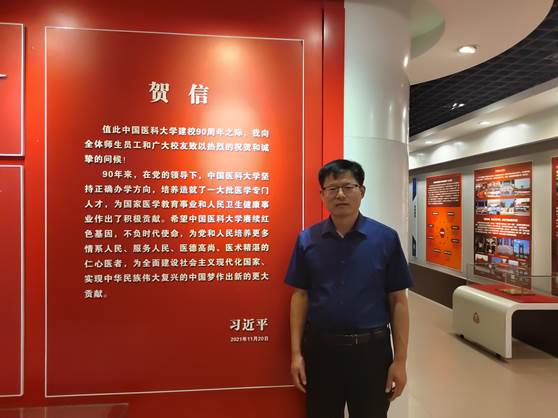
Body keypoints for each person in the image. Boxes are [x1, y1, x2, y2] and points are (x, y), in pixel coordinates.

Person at [284, 159, 413, 418]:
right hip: (321, 352)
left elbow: (398, 300)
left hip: (371, 353)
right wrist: (296, 354)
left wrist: (400, 361)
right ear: (322, 195)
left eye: (348, 187)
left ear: (361, 191)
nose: (340, 194)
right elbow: (300, 296)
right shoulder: (307, 239)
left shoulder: (385, 238)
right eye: (332, 189)